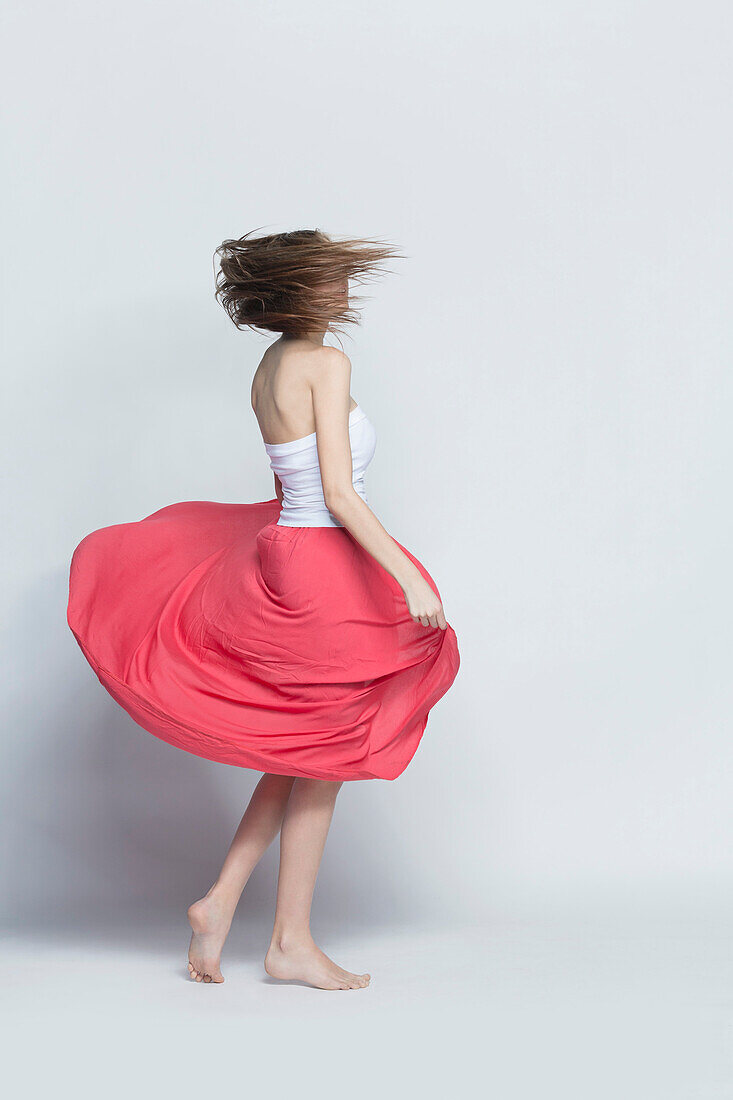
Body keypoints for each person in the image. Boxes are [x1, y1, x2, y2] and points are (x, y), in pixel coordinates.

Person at [67, 229, 461, 990]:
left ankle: (218, 905)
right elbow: (339, 495)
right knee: (328, 751)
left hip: (289, 553)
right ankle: (289, 943)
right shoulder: (323, 361)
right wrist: (405, 576)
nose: (346, 291)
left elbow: (299, 487)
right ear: (303, 291)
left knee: (300, 749)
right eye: (334, 278)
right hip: (322, 564)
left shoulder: (271, 365)